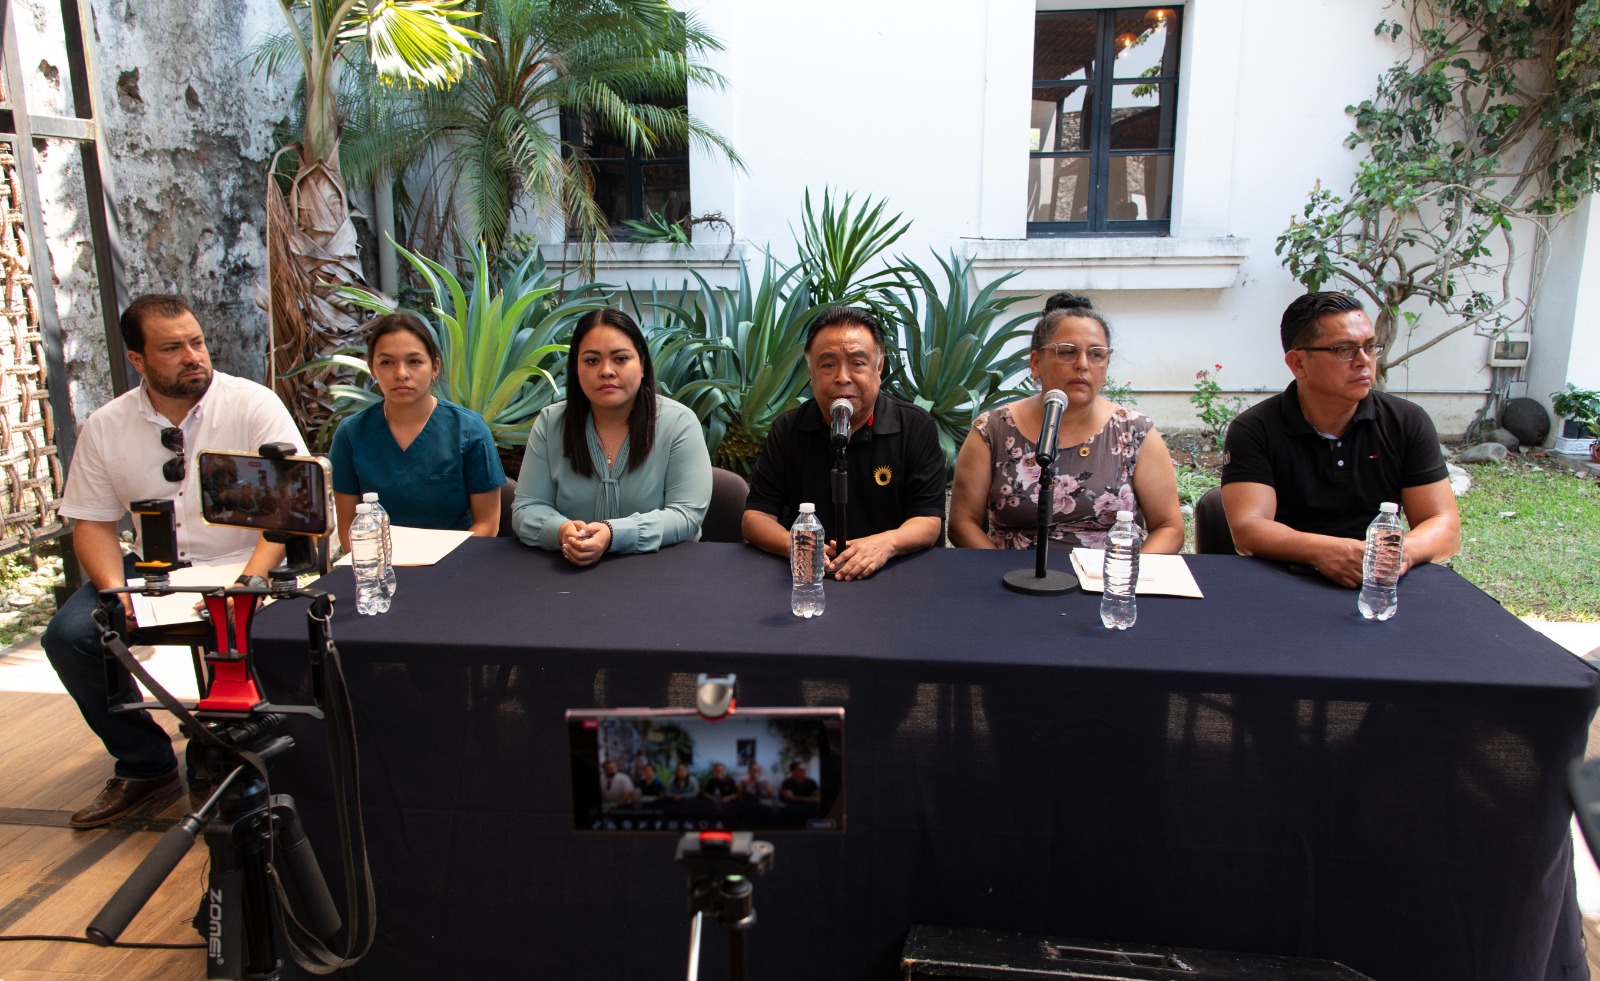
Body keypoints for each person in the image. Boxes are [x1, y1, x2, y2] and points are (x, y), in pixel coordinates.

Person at [44, 294, 305, 828]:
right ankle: (145, 764)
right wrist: (115, 591)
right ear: (137, 359)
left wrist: (250, 581)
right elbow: (92, 523)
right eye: (172, 348)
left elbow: (289, 509)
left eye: (197, 342)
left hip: (245, 559)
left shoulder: (252, 404)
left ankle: (238, 757)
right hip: (153, 569)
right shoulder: (107, 425)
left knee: (258, 632)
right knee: (70, 636)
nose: (193, 356)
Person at [1220, 292, 1460, 586]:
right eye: (1344, 350)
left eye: (1370, 347)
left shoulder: (1406, 421)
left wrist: (1397, 553)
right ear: (1298, 363)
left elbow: (1443, 525)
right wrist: (1325, 552)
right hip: (1285, 578)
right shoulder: (1255, 429)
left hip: (1380, 581)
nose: (1364, 361)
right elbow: (1249, 529)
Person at [949, 295, 1184, 552]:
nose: (1082, 364)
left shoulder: (1135, 431)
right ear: (1035, 363)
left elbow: (1169, 528)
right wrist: (1001, 571)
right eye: (1068, 352)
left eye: (1096, 354)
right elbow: (962, 524)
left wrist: (1126, 571)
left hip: (1107, 573)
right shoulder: (992, 430)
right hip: (1014, 572)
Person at [742, 306, 946, 580]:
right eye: (828, 365)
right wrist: (799, 546)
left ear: (879, 367)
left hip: (892, 574)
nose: (842, 377)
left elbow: (928, 520)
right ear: (811, 372)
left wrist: (886, 544)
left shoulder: (915, 426)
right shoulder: (788, 429)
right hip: (810, 576)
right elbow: (756, 517)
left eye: (857, 363)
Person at [512, 309, 711, 565]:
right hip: (569, 569)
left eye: (620, 359)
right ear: (575, 368)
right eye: (592, 361)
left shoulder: (678, 423)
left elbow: (686, 514)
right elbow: (527, 508)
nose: (606, 371)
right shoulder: (551, 423)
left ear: (642, 364)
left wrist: (612, 534)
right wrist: (561, 531)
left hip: (661, 569)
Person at [330, 312, 505, 550]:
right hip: (380, 565)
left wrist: (441, 563)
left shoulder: (470, 430)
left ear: (434, 367)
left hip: (457, 562)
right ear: (372, 369)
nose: (401, 374)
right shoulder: (351, 434)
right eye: (387, 362)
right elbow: (348, 530)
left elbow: (487, 524)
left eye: (414, 361)